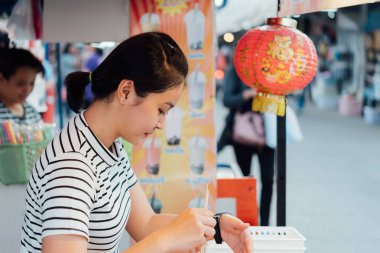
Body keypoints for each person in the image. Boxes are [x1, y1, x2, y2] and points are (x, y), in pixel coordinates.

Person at [20, 32, 252, 253]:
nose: (161, 123)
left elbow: (146, 223)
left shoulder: (108, 144)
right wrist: (167, 239)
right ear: (126, 91)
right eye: (161, 110)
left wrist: (214, 227)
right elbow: (155, 234)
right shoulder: (72, 166)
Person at [217, 65, 275, 226]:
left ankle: (264, 222)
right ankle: (249, 220)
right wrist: (248, 94)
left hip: (267, 134)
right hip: (243, 135)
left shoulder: (274, 70)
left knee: (268, 180)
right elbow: (227, 99)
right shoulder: (237, 70)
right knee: (245, 180)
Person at [0, 48, 44, 124]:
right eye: (20, 84)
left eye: (31, 83)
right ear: (1, 79)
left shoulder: (32, 113)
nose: (27, 89)